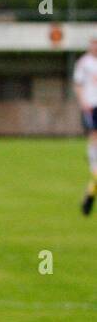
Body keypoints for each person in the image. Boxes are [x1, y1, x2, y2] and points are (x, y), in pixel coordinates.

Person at [74, 37, 97, 216]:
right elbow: (78, 84)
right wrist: (82, 102)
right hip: (91, 105)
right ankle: (93, 161)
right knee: (94, 134)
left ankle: (90, 194)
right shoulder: (84, 62)